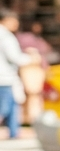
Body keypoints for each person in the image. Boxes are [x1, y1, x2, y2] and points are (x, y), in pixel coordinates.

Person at [15, 20, 53, 126]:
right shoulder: (26, 38)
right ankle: (31, 118)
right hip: (30, 70)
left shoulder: (36, 38)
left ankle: (30, 117)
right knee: (32, 94)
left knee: (34, 95)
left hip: (36, 69)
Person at [0, 10, 24, 139]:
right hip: (5, 78)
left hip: (4, 78)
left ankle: (14, 132)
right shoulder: (6, 36)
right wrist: (31, 58)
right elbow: (15, 57)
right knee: (5, 108)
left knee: (12, 106)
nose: (17, 24)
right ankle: (14, 132)